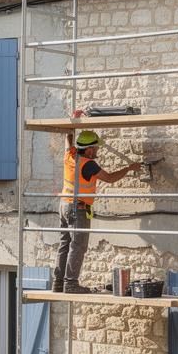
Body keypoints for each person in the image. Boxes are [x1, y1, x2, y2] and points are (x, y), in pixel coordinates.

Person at [55, 112, 140, 293]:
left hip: (63, 206)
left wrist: (74, 119)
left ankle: (58, 283)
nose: (97, 150)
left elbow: (68, 138)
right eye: (95, 148)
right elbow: (109, 178)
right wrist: (129, 168)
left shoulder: (70, 154)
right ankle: (70, 284)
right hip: (78, 209)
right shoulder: (89, 164)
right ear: (88, 149)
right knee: (78, 246)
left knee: (64, 244)